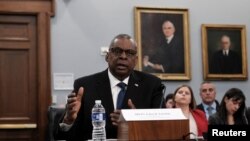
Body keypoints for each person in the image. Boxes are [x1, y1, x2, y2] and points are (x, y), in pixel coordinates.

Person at [53, 34, 165, 141]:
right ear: (107, 56)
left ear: (136, 60)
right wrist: (68, 120)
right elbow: (62, 137)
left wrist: (136, 121)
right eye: (117, 51)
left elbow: (162, 130)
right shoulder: (85, 86)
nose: (123, 56)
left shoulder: (152, 85)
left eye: (130, 53)